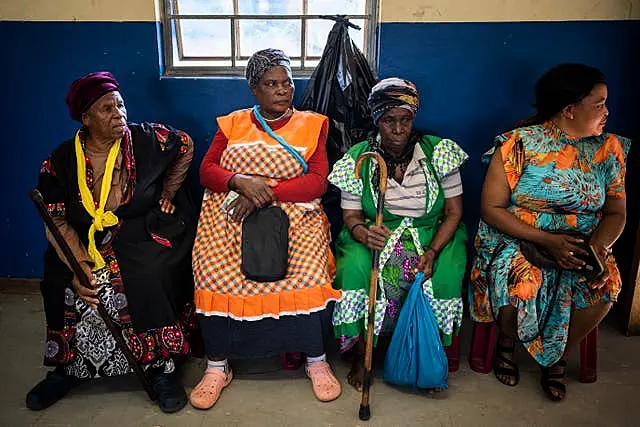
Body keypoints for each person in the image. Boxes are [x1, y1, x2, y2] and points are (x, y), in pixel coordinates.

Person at [28, 72, 197, 413]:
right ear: (86, 119)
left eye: (120, 105)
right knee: (62, 282)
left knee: (148, 273)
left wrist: (168, 191)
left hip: (139, 226)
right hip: (83, 235)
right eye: (106, 109)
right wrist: (79, 266)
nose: (118, 114)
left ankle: (160, 368)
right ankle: (69, 369)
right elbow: (57, 219)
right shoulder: (60, 161)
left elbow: (186, 145)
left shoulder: (148, 139)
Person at [191, 49, 342, 409]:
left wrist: (264, 192)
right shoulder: (232, 123)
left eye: (287, 82)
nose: (282, 90)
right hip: (229, 220)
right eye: (271, 84)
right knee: (210, 272)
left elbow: (318, 182)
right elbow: (207, 170)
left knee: (309, 274)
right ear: (253, 89)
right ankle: (217, 366)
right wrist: (240, 181)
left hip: (295, 220)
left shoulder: (313, 124)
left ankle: (315, 360)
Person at [470, 63, 630, 401]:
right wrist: (545, 240)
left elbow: (616, 212)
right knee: (523, 280)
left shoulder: (608, 150)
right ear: (569, 109)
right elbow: (492, 209)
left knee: (605, 285)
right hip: (520, 237)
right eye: (598, 104)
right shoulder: (519, 144)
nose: (607, 112)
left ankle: (555, 353)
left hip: (583, 242)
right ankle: (508, 340)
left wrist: (598, 249)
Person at [328, 78, 468, 391]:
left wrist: (431, 252)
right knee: (355, 270)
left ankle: (425, 351)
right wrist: (364, 234)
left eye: (405, 120)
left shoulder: (438, 152)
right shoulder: (360, 159)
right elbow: (351, 216)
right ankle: (363, 353)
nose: (398, 129)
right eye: (389, 121)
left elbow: (454, 212)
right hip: (376, 233)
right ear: (377, 120)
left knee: (445, 273)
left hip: (433, 234)